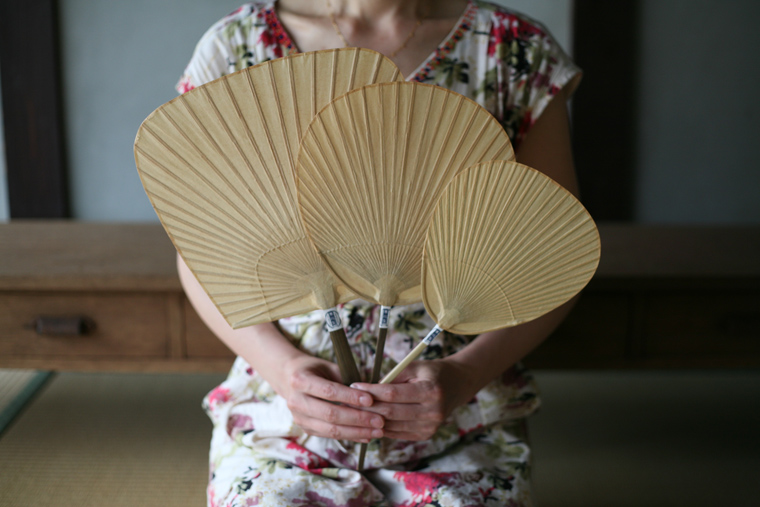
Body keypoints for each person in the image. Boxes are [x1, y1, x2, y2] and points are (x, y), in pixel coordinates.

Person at [176, 1, 581, 505]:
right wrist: (284, 371)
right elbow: (201, 252)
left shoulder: (511, 51)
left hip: (459, 411)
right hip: (283, 414)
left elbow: (556, 256)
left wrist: (465, 375)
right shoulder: (237, 48)